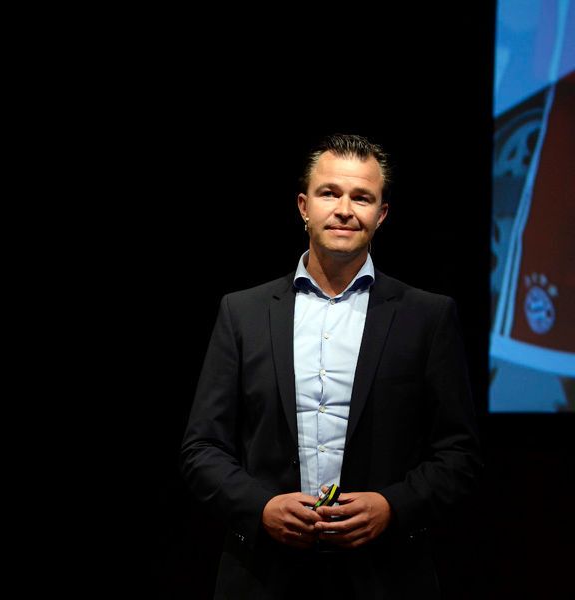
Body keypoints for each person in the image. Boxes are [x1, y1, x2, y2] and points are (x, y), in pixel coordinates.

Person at [180, 134, 482, 598]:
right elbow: (201, 448)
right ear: (304, 207)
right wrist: (260, 507)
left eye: (362, 197)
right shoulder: (242, 312)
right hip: (262, 575)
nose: (345, 209)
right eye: (329, 193)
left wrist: (392, 505)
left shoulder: (428, 316)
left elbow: (459, 455)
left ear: (381, 215)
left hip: (386, 575)